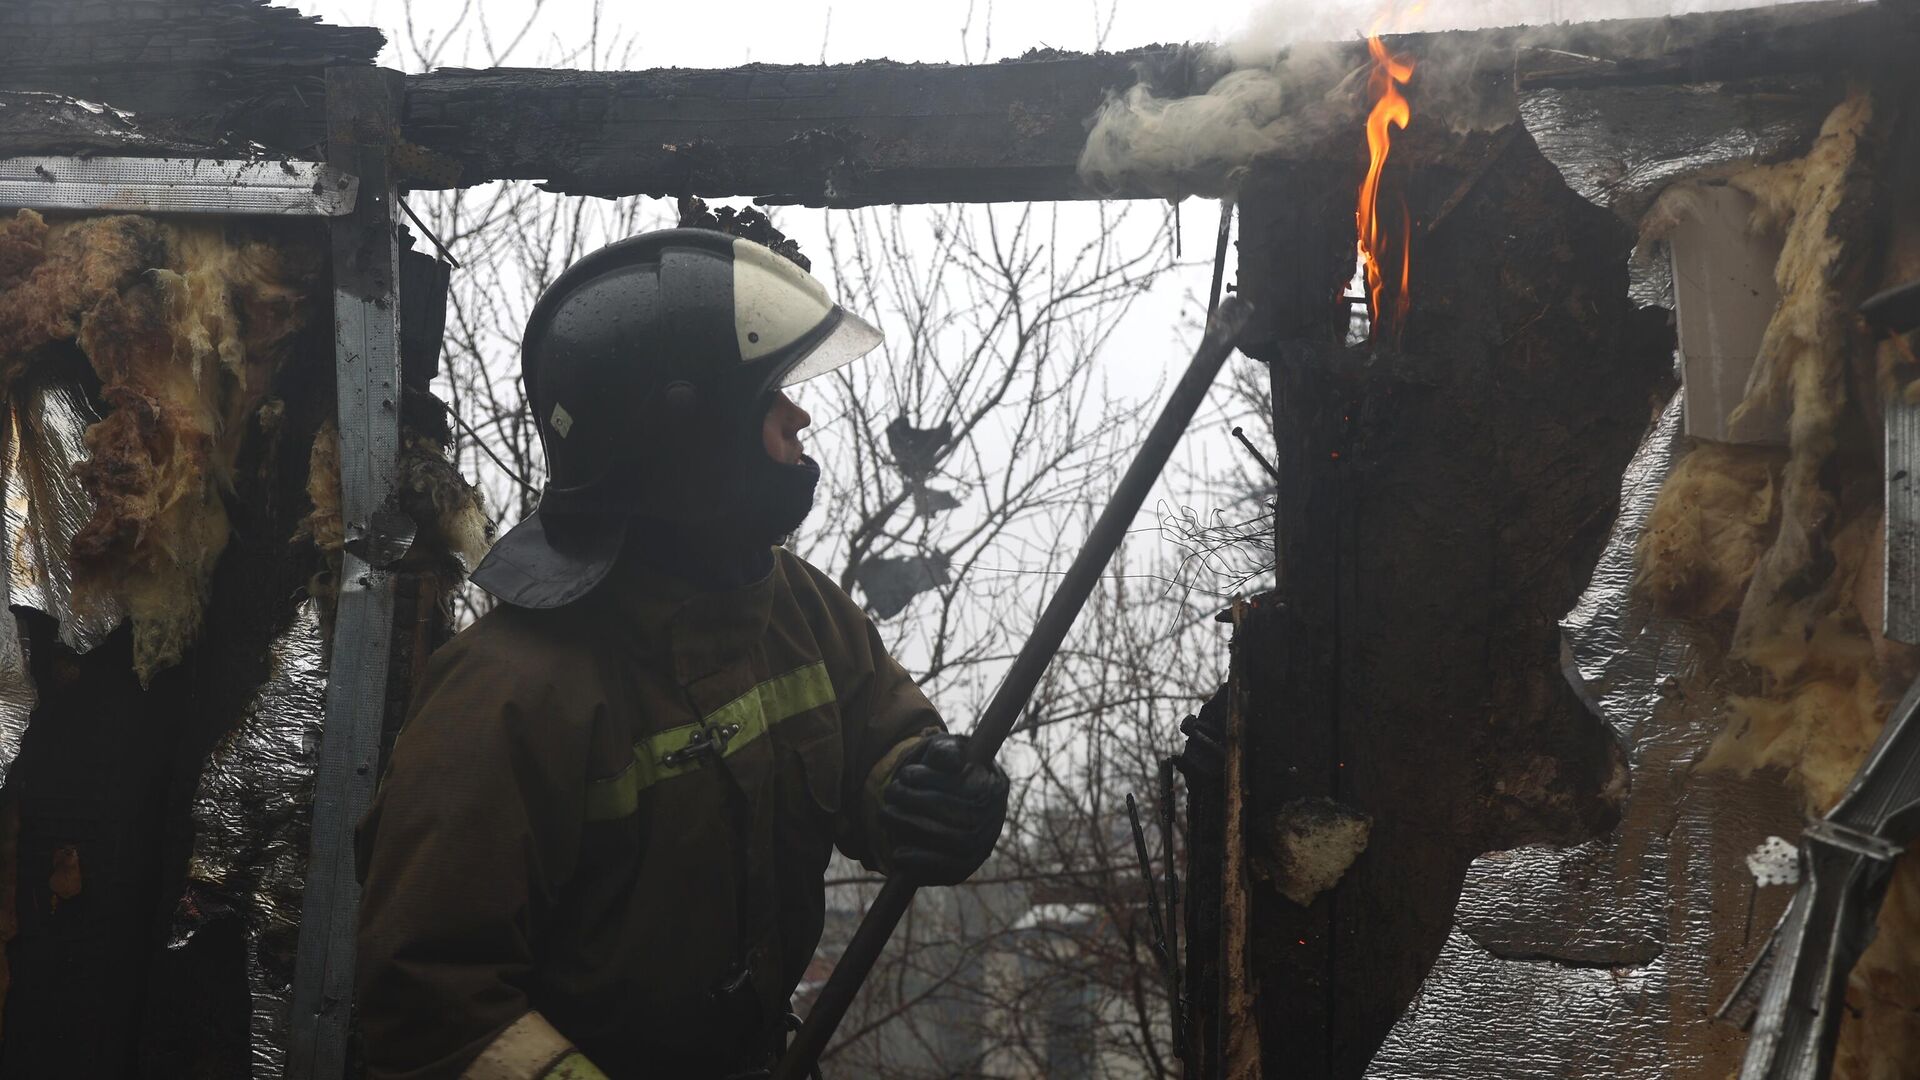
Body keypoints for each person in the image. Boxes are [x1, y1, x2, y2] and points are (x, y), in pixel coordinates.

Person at [354, 229, 1011, 1080]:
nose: (800, 415)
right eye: (771, 394)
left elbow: (876, 741)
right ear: (687, 436)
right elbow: (426, 998)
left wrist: (924, 790)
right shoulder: (507, 693)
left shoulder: (792, 606)